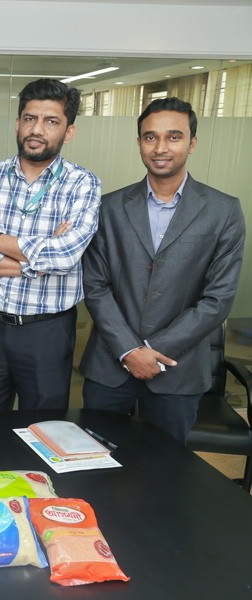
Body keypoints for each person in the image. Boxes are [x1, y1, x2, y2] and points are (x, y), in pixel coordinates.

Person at [80, 97, 245, 444]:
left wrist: (154, 351)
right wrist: (129, 350)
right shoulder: (109, 207)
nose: (160, 148)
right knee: (92, 460)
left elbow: (218, 298)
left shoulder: (223, 210)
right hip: (110, 365)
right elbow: (95, 285)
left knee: (166, 471)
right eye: (150, 137)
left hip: (178, 370)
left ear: (193, 143)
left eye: (174, 136)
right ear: (139, 142)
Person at [0, 78, 101, 412]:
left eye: (51, 121)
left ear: (69, 131)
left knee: (42, 434)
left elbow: (67, 255)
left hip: (47, 333)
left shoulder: (82, 184)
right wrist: (41, 256)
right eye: (30, 118)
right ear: (17, 123)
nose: (37, 129)